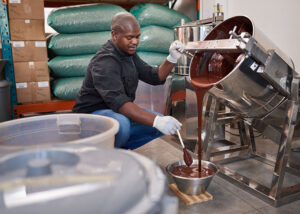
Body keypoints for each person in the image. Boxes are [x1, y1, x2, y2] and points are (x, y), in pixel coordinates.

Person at [73, 12, 184, 149]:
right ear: (115, 35)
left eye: (138, 37)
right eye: (130, 37)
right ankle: (104, 155)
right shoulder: (104, 61)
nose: (135, 42)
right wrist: (156, 121)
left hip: (115, 112)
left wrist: (172, 58)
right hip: (90, 119)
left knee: (158, 124)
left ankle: (120, 149)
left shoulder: (128, 54)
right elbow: (120, 103)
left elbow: (154, 76)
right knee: (123, 124)